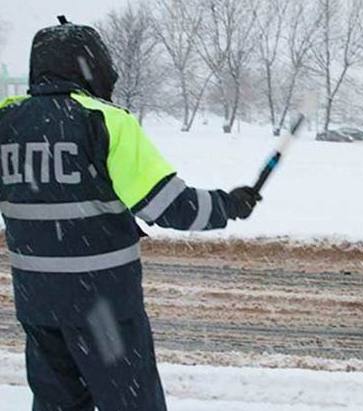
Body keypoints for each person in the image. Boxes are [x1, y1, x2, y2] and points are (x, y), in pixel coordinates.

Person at [0, 17, 262, 411]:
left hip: (38, 306)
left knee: (56, 404)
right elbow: (169, 205)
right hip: (101, 308)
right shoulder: (103, 122)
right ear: (92, 67)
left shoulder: (7, 124)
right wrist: (229, 205)